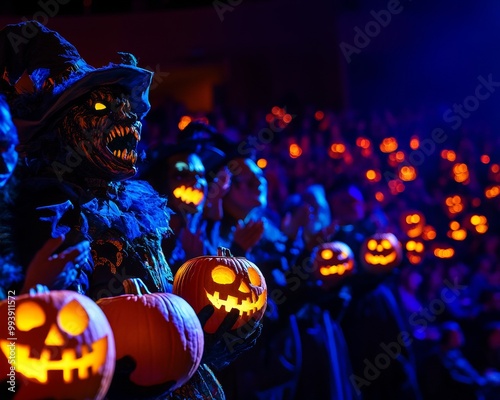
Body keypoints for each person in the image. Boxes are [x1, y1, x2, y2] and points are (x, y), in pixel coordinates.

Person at [0, 21, 253, 399]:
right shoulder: (41, 211)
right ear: (57, 127)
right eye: (103, 107)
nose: (130, 121)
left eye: (130, 110)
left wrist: (208, 322)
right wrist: (32, 293)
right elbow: (18, 351)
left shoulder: (136, 206)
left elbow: (170, 314)